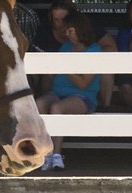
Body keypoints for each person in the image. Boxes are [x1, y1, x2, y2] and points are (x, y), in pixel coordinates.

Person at [37, 12, 102, 172]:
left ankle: (56, 155)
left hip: (83, 96)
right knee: (38, 105)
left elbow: (83, 83)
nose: (66, 34)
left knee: (57, 108)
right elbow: (55, 76)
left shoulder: (94, 50)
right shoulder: (65, 47)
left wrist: (64, 68)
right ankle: (45, 154)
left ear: (79, 29)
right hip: (58, 92)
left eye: (70, 30)